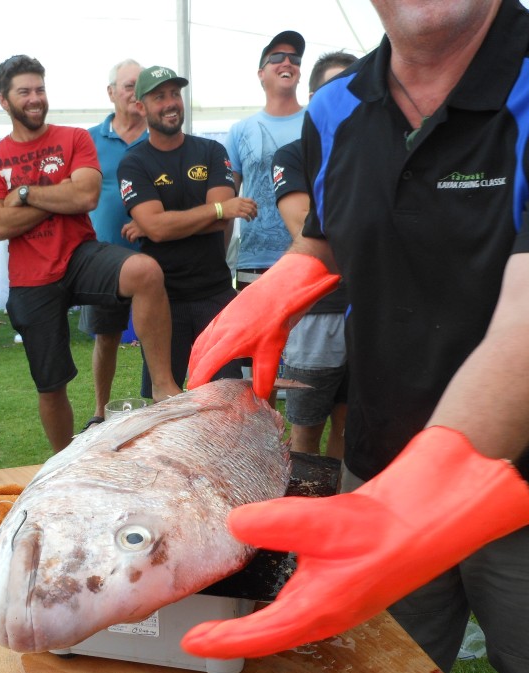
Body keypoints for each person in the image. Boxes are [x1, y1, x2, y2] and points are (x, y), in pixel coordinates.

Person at [182, 2, 529, 673]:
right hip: (381, 467)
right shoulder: (338, 105)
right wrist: (290, 278)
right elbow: (332, 231)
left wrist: (425, 492)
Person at [0, 55, 182, 454]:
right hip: (30, 277)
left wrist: (22, 194)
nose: (35, 98)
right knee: (51, 385)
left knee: (145, 271)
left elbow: (85, 195)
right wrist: (60, 197)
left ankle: (162, 386)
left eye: (40, 89)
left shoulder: (73, 138)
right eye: (25, 92)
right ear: (4, 100)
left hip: (79, 254)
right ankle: (62, 463)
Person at [117, 66, 257, 396]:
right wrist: (218, 209)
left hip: (215, 294)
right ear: (141, 107)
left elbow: (199, 224)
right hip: (163, 301)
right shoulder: (134, 163)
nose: (170, 103)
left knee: (226, 399)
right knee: (165, 406)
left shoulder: (210, 151)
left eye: (175, 94)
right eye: (159, 96)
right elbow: (214, 214)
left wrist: (158, 224)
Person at [272, 51, 358, 459]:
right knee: (305, 431)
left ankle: (340, 511)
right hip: (317, 313)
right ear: (313, 99)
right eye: (332, 91)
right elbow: (304, 226)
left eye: (352, 89)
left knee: (351, 425)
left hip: (370, 311)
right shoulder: (292, 155)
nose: (343, 101)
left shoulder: (380, 153)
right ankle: (301, 509)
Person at [77, 59, 148, 431]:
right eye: (129, 86)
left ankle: (156, 407)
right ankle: (100, 410)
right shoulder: (87, 140)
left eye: (141, 86)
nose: (136, 93)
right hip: (102, 259)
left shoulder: (160, 138)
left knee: (156, 339)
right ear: (111, 93)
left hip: (153, 257)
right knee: (105, 337)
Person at [224, 31, 307, 290]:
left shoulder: (317, 122)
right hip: (254, 261)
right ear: (261, 73)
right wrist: (220, 262)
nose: (287, 62)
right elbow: (225, 204)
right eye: (277, 57)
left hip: (308, 256)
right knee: (258, 333)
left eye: (294, 58)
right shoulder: (240, 131)